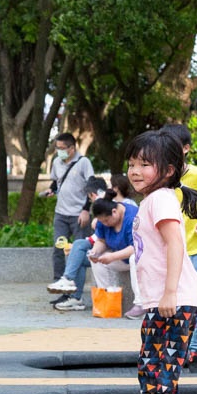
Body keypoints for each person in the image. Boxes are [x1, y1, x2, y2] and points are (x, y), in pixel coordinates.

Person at [120, 129, 197, 394]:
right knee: (160, 367)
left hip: (172, 300)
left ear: (168, 170)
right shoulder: (156, 199)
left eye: (144, 164)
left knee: (155, 371)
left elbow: (175, 244)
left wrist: (168, 293)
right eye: (131, 163)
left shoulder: (159, 200)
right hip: (167, 300)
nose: (135, 171)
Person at [162, 123, 197, 372]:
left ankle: (196, 349)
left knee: (193, 300)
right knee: (169, 300)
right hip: (169, 248)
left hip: (194, 247)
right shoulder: (161, 176)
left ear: (186, 149)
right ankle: (174, 346)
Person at [41, 132, 94, 300]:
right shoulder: (56, 162)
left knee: (76, 252)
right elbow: (57, 181)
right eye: (57, 148)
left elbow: (91, 186)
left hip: (79, 215)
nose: (59, 151)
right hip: (61, 214)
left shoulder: (83, 163)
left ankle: (74, 292)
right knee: (58, 249)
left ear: (72, 148)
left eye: (62, 148)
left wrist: (86, 210)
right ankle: (59, 285)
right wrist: (52, 190)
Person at [47, 176, 108, 311]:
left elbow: (102, 237)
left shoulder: (104, 206)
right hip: (105, 248)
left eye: (90, 198)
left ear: (92, 194)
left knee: (79, 246)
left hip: (113, 252)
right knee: (78, 250)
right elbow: (98, 237)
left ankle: (68, 281)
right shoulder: (107, 204)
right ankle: (75, 297)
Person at [87, 191, 142, 316]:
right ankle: (107, 299)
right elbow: (101, 240)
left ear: (114, 212)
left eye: (106, 221)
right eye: (102, 222)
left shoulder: (133, 217)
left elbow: (137, 247)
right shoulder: (103, 219)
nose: (105, 224)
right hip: (121, 258)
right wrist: (95, 252)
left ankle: (140, 303)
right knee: (97, 262)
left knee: (135, 258)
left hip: (144, 257)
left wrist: (112, 257)